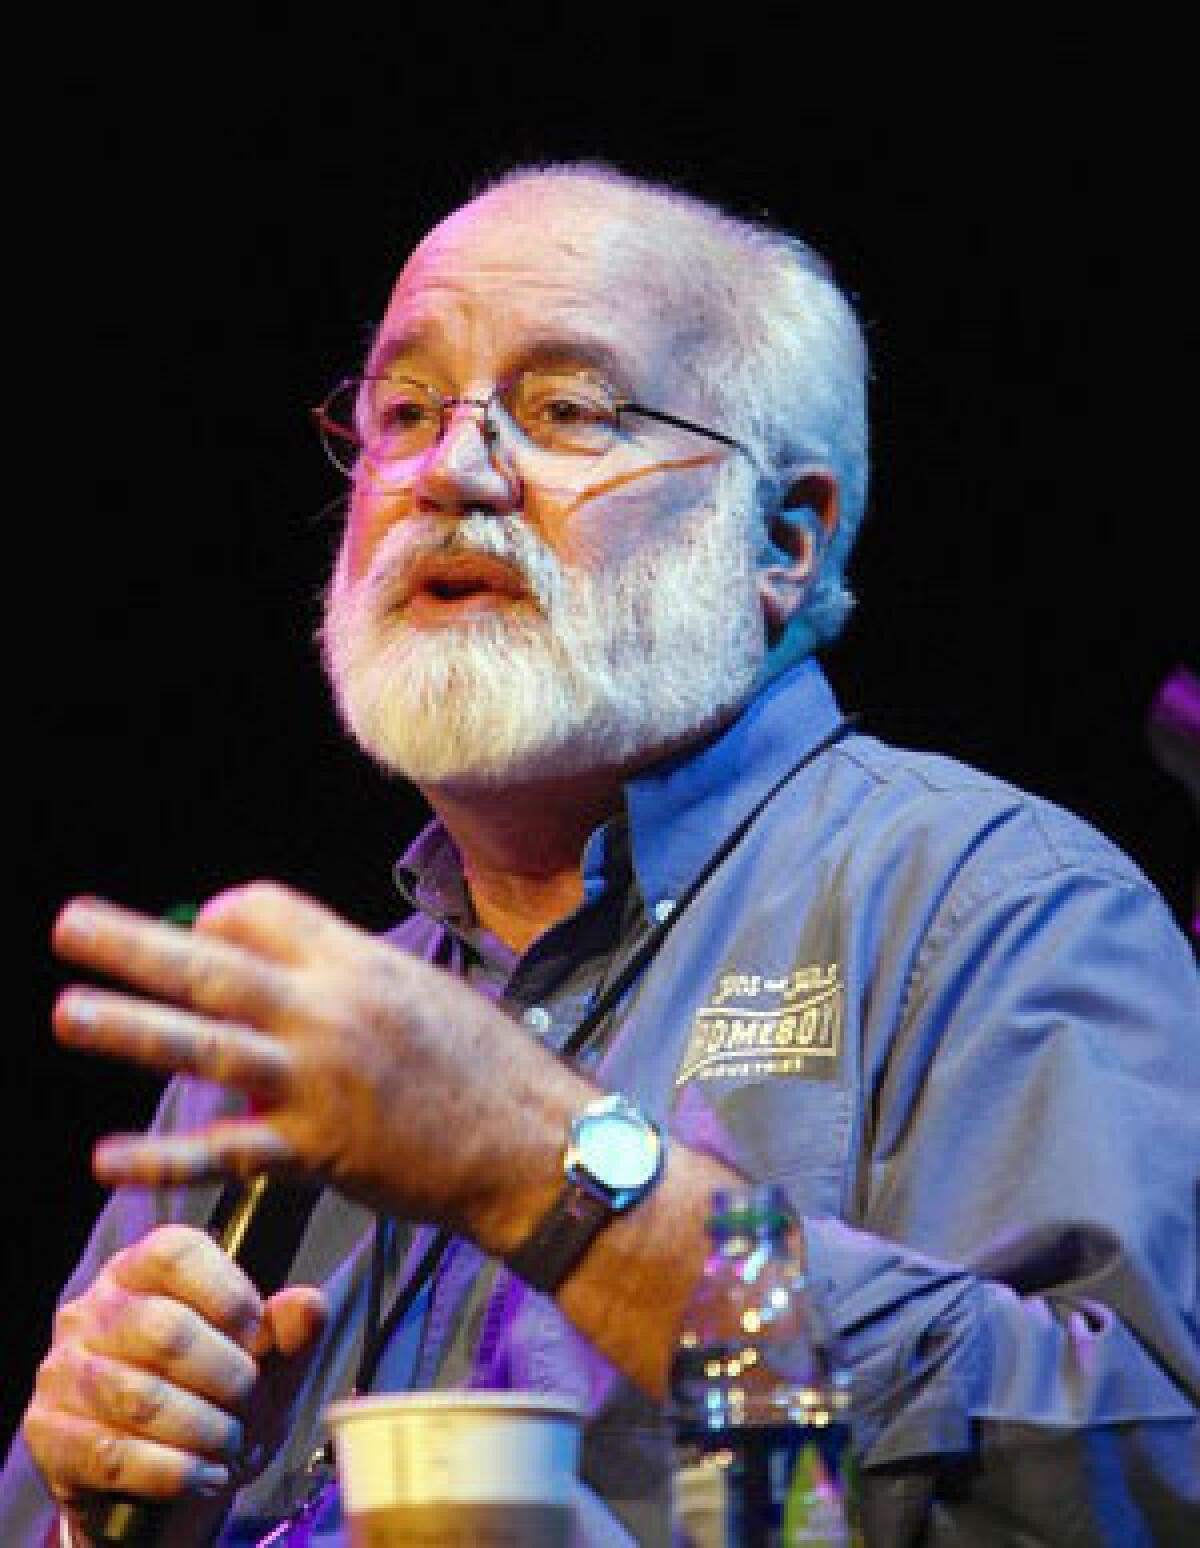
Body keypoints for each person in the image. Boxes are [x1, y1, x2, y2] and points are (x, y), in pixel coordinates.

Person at [3, 162, 1197, 1546]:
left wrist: (542, 1163)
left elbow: (1142, 1464)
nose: (449, 472)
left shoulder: (988, 904)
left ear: (785, 538)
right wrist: (112, 1497)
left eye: (566, 409)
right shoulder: (299, 1032)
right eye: (402, 410)